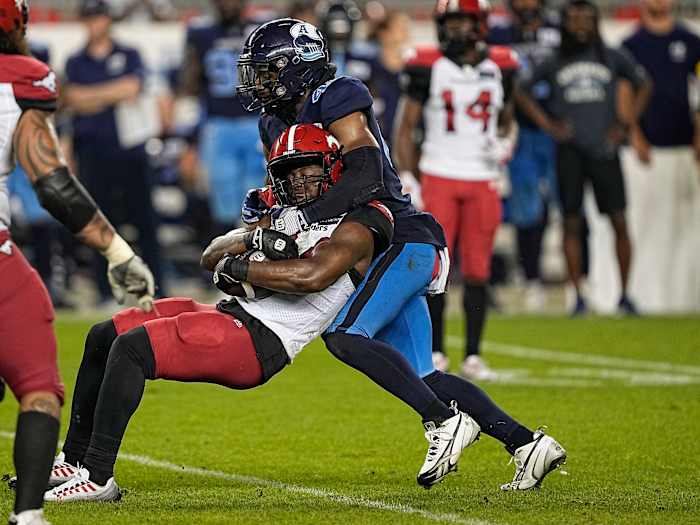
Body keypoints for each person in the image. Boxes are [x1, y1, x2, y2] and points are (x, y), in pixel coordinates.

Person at [43, 126, 565, 502]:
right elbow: (209, 256)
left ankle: (100, 476)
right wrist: (248, 242)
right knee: (105, 333)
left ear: (334, 167)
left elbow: (311, 277)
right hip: (238, 312)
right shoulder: (288, 209)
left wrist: (244, 266)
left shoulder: (361, 220)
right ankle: (525, 444)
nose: (298, 182)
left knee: (135, 350)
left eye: (308, 169)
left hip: (261, 338)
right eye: (289, 172)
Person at [238, 18, 564, 490]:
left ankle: (442, 422)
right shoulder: (272, 121)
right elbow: (295, 186)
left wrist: (305, 218)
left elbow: (365, 170)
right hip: (366, 244)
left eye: (269, 71)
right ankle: (528, 445)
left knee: (346, 335)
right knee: (423, 373)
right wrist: (269, 202)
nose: (260, 83)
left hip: (399, 233)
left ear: (297, 65)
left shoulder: (336, 94)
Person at [0, 1, 155, 523]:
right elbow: (52, 184)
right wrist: (118, 250)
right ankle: (28, 517)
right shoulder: (23, 80)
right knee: (38, 384)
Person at [395, 0, 519, 379]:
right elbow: (406, 127)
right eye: (450, 22)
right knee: (438, 270)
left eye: (464, 21)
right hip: (439, 171)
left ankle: (474, 356)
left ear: (480, 24)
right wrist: (409, 175)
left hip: (482, 176)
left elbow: (508, 120)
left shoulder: (501, 66)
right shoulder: (427, 67)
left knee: (479, 269)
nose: (456, 30)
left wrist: (506, 144)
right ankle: (436, 353)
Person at [514, 0, 651, 316]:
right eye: (574, 19)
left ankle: (625, 294)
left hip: (605, 150)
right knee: (571, 221)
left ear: (595, 23)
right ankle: (577, 295)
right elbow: (521, 89)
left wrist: (626, 126)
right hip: (570, 151)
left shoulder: (611, 56)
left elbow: (644, 84)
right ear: (564, 24)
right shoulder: (554, 60)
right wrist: (548, 124)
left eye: (586, 19)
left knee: (618, 220)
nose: (580, 26)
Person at [64, 0, 165, 306]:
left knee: (145, 221)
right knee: (100, 226)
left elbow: (132, 88)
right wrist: (111, 93)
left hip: (130, 151)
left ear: (108, 20)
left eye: (98, 18)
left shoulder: (128, 53)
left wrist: (92, 96)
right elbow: (73, 99)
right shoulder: (75, 61)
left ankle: (157, 286)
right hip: (92, 151)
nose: (94, 24)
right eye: (89, 18)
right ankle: (104, 290)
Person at [619, 0, 700, 312]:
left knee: (686, 229)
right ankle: (643, 295)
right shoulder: (631, 44)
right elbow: (625, 91)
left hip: (683, 149)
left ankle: (683, 298)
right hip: (645, 151)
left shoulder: (691, 43)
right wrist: (634, 133)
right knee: (644, 226)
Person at [488, 0, 560, 312]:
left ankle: (580, 282)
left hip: (561, 129)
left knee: (569, 207)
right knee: (526, 210)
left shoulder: (559, 28)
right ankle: (531, 277)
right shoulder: (500, 32)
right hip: (519, 130)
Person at [179, 0, 266, 233]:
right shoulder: (200, 33)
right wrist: (191, 140)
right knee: (224, 206)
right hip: (219, 124)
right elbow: (190, 85)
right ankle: (226, 260)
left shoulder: (262, 27)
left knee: (260, 201)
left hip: (257, 122)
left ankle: (257, 260)